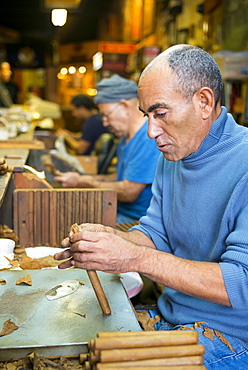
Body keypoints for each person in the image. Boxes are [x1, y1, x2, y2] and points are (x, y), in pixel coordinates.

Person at [54, 45, 248, 369]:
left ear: (204, 102)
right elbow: (156, 232)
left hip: (231, 338)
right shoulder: (173, 153)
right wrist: (107, 240)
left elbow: (242, 285)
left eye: (160, 113)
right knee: (71, 336)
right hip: (173, 315)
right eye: (146, 115)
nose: (151, 131)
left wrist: (134, 256)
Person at [54, 75, 160, 224]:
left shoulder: (147, 137)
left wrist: (84, 183)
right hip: (118, 210)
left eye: (106, 116)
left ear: (124, 106)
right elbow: (120, 177)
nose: (105, 123)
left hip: (136, 221)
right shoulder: (125, 139)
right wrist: (85, 179)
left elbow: (129, 191)